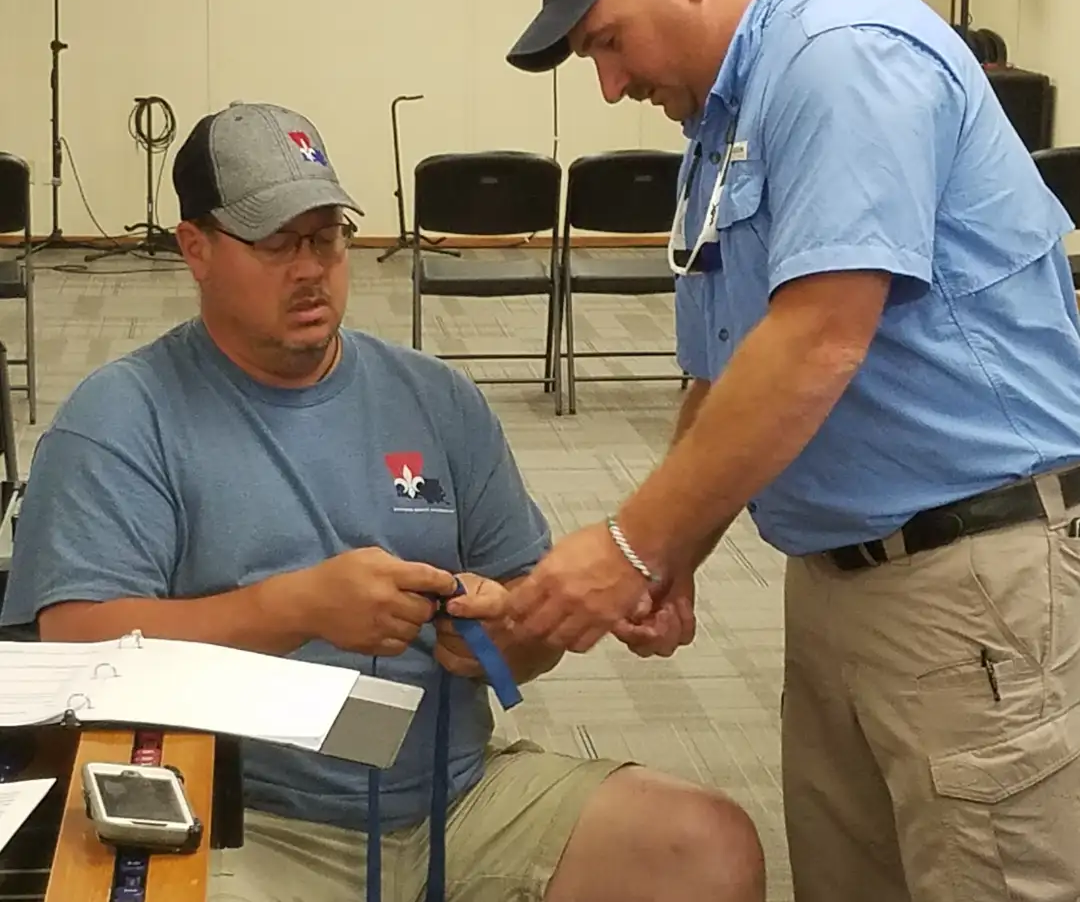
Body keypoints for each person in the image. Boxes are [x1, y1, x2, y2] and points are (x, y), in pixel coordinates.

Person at [0, 100, 765, 902]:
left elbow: (527, 635)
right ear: (195, 248)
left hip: (459, 796)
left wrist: (500, 633)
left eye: (327, 237)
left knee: (706, 849)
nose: (311, 268)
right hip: (247, 818)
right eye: (276, 243)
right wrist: (295, 608)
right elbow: (75, 646)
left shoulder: (436, 398)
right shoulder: (123, 416)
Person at [503, 0, 1080, 902]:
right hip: (835, 582)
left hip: (972, 580)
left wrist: (629, 545)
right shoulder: (716, 133)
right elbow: (722, 377)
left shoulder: (840, 58)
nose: (607, 83)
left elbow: (818, 341)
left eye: (604, 41)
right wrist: (673, 553)